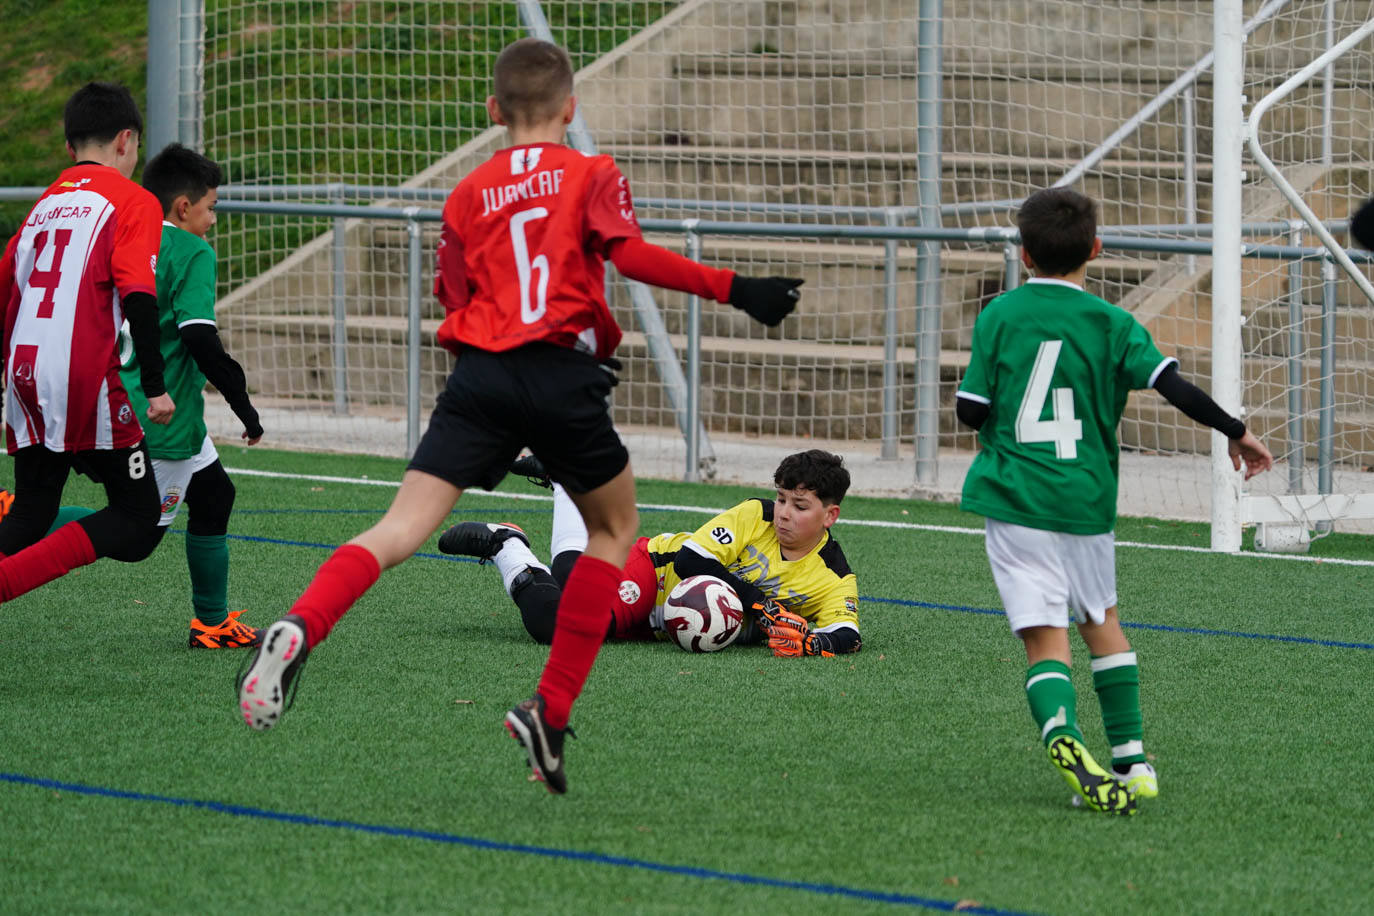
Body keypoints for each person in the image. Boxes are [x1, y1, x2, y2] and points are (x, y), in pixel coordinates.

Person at [235, 38, 803, 795]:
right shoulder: (591, 172)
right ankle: (550, 709)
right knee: (612, 530)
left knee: (398, 530)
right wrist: (740, 289)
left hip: (480, 379)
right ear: (572, 107)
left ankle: (303, 625)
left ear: (494, 111)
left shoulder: (468, 192)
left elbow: (453, 299)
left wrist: (488, 412)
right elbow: (630, 258)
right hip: (564, 376)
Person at [955, 187, 1273, 815]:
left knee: (1045, 641)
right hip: (1086, 502)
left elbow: (971, 411)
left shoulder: (999, 315)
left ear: (1023, 255)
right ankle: (1131, 760)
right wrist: (1236, 432)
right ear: (1095, 250)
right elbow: (1174, 388)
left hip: (1015, 497)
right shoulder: (1113, 323)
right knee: (1102, 624)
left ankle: (1065, 737)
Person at [0, 82, 175, 604]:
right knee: (141, 520)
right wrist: (155, 385)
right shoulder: (133, 201)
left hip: (25, 374)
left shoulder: (41, 209)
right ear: (126, 141)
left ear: (69, 147)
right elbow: (139, 294)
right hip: (81, 376)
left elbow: (5, 289)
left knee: (31, 513)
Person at [439, 450, 860, 656]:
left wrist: (813, 641)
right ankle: (508, 546)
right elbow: (691, 561)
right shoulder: (756, 514)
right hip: (656, 571)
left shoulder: (833, 576)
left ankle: (566, 480)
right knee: (565, 627)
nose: (784, 513)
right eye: (782, 499)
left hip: (665, 623)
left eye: (799, 507)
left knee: (573, 596)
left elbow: (849, 635)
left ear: (830, 515)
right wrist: (762, 604)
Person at [122, 142, 266, 648]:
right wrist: (243, 406)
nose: (213, 220)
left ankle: (211, 623)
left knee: (215, 494)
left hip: (125, 398)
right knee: (135, 535)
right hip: (167, 416)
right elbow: (200, 338)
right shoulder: (192, 251)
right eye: (211, 208)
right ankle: (19, 513)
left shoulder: (127, 238)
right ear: (183, 207)